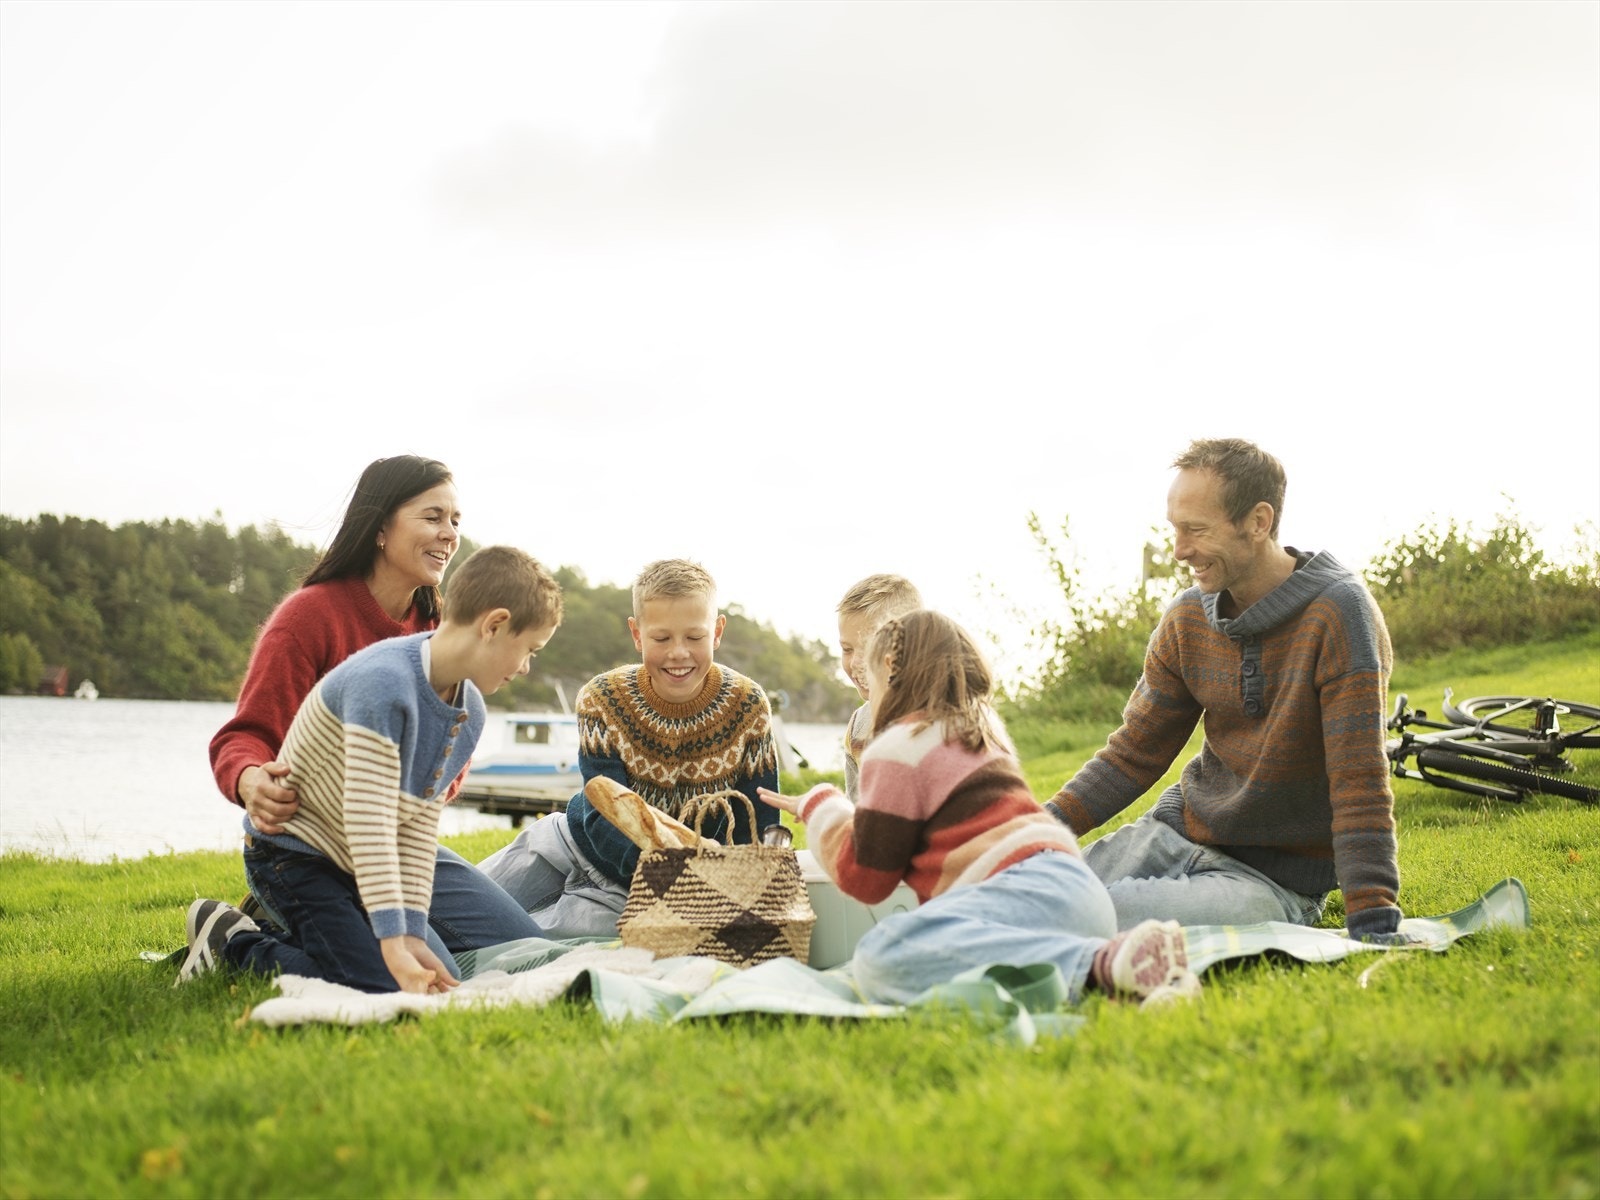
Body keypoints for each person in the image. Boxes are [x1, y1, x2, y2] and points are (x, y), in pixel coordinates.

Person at [1045, 438, 1405, 940]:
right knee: (1035, 890)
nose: (1178, 550)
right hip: (1173, 834)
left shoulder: (1338, 613)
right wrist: (1037, 830)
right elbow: (1133, 754)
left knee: (1085, 915)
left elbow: (1358, 774)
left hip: (1270, 881)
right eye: (1175, 529)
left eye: (1195, 530)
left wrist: (1371, 908)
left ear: (1258, 522)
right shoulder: (1188, 618)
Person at [759, 610, 1200, 1007]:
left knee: (880, 954)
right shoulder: (982, 730)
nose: (867, 699)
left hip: (1024, 895)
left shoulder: (895, 747)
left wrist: (821, 806)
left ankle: (1098, 959)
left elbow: (867, 877)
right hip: (1082, 892)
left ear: (891, 673)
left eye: (869, 683)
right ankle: (1123, 974)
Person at [177, 546, 564, 993]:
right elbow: (369, 821)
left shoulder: (468, 710)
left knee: (436, 979)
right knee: (384, 985)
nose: (527, 666)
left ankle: (323, 937)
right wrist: (392, 941)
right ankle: (236, 942)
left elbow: (417, 827)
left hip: (364, 860)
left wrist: (412, 931)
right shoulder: (383, 683)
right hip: (296, 857)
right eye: (529, 650)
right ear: (494, 625)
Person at [207, 455, 546, 956]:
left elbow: (444, 765)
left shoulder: (440, 635)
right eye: (432, 517)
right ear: (381, 527)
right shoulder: (308, 617)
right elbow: (244, 735)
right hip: (307, 849)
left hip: (398, 846)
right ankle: (242, 939)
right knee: (403, 966)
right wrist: (249, 778)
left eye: (455, 521)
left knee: (524, 949)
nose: (449, 534)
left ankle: (298, 929)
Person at [478, 558, 781, 937]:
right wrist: (657, 873)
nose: (678, 653)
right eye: (661, 638)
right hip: (574, 843)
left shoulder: (749, 705)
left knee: (530, 939)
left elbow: (760, 821)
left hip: (653, 889)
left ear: (717, 631)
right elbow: (604, 811)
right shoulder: (602, 698)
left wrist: (722, 889)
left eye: (694, 637)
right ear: (637, 634)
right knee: (464, 903)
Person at [835, 574, 923, 800]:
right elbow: (857, 814)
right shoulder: (858, 727)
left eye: (868, 647)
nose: (855, 662)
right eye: (847, 649)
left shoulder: (945, 718)